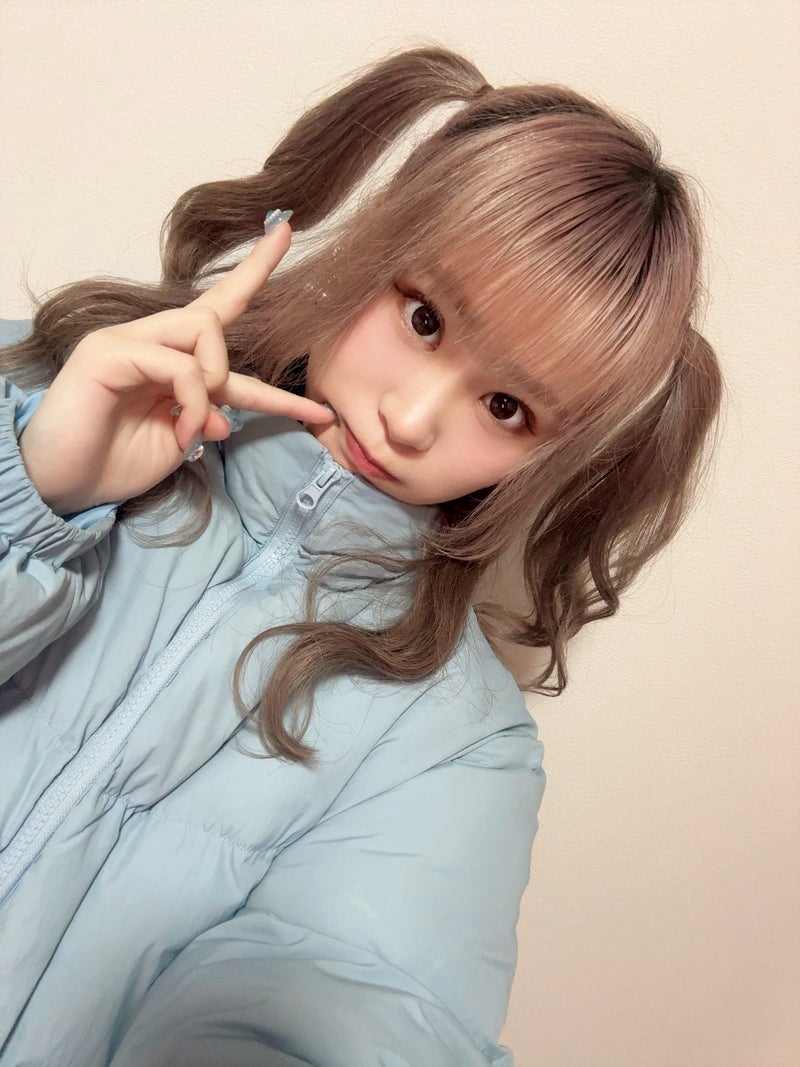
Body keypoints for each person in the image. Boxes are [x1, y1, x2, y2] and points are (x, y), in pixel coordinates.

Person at [0, 47, 721, 1067]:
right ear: (377, 240)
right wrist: (32, 495)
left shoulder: (457, 746)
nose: (412, 419)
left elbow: (355, 1008)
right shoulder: (32, 386)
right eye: (424, 317)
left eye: (506, 406)